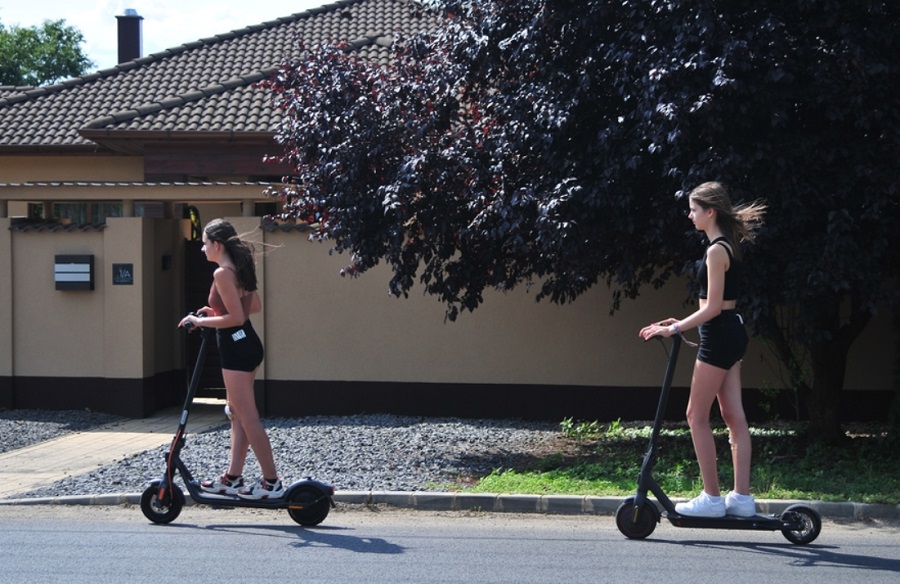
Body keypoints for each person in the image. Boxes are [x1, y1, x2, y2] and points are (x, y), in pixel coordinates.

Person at [639, 182, 766, 518]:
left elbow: (712, 308)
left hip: (719, 334)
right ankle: (741, 499)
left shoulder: (715, 251)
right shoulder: (729, 245)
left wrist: (675, 328)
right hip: (730, 332)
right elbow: (716, 307)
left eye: (694, 209)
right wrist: (678, 321)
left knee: (696, 416)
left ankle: (711, 499)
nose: (690, 214)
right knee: (733, 417)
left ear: (710, 212)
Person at [178, 219, 284, 500]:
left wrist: (199, 322)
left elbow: (236, 317)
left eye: (203, 243)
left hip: (236, 350)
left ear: (217, 244)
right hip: (247, 344)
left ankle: (272, 483)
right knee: (237, 415)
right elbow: (253, 308)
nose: (201, 249)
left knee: (248, 418)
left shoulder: (222, 274)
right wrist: (214, 314)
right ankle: (233, 479)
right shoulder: (240, 269)